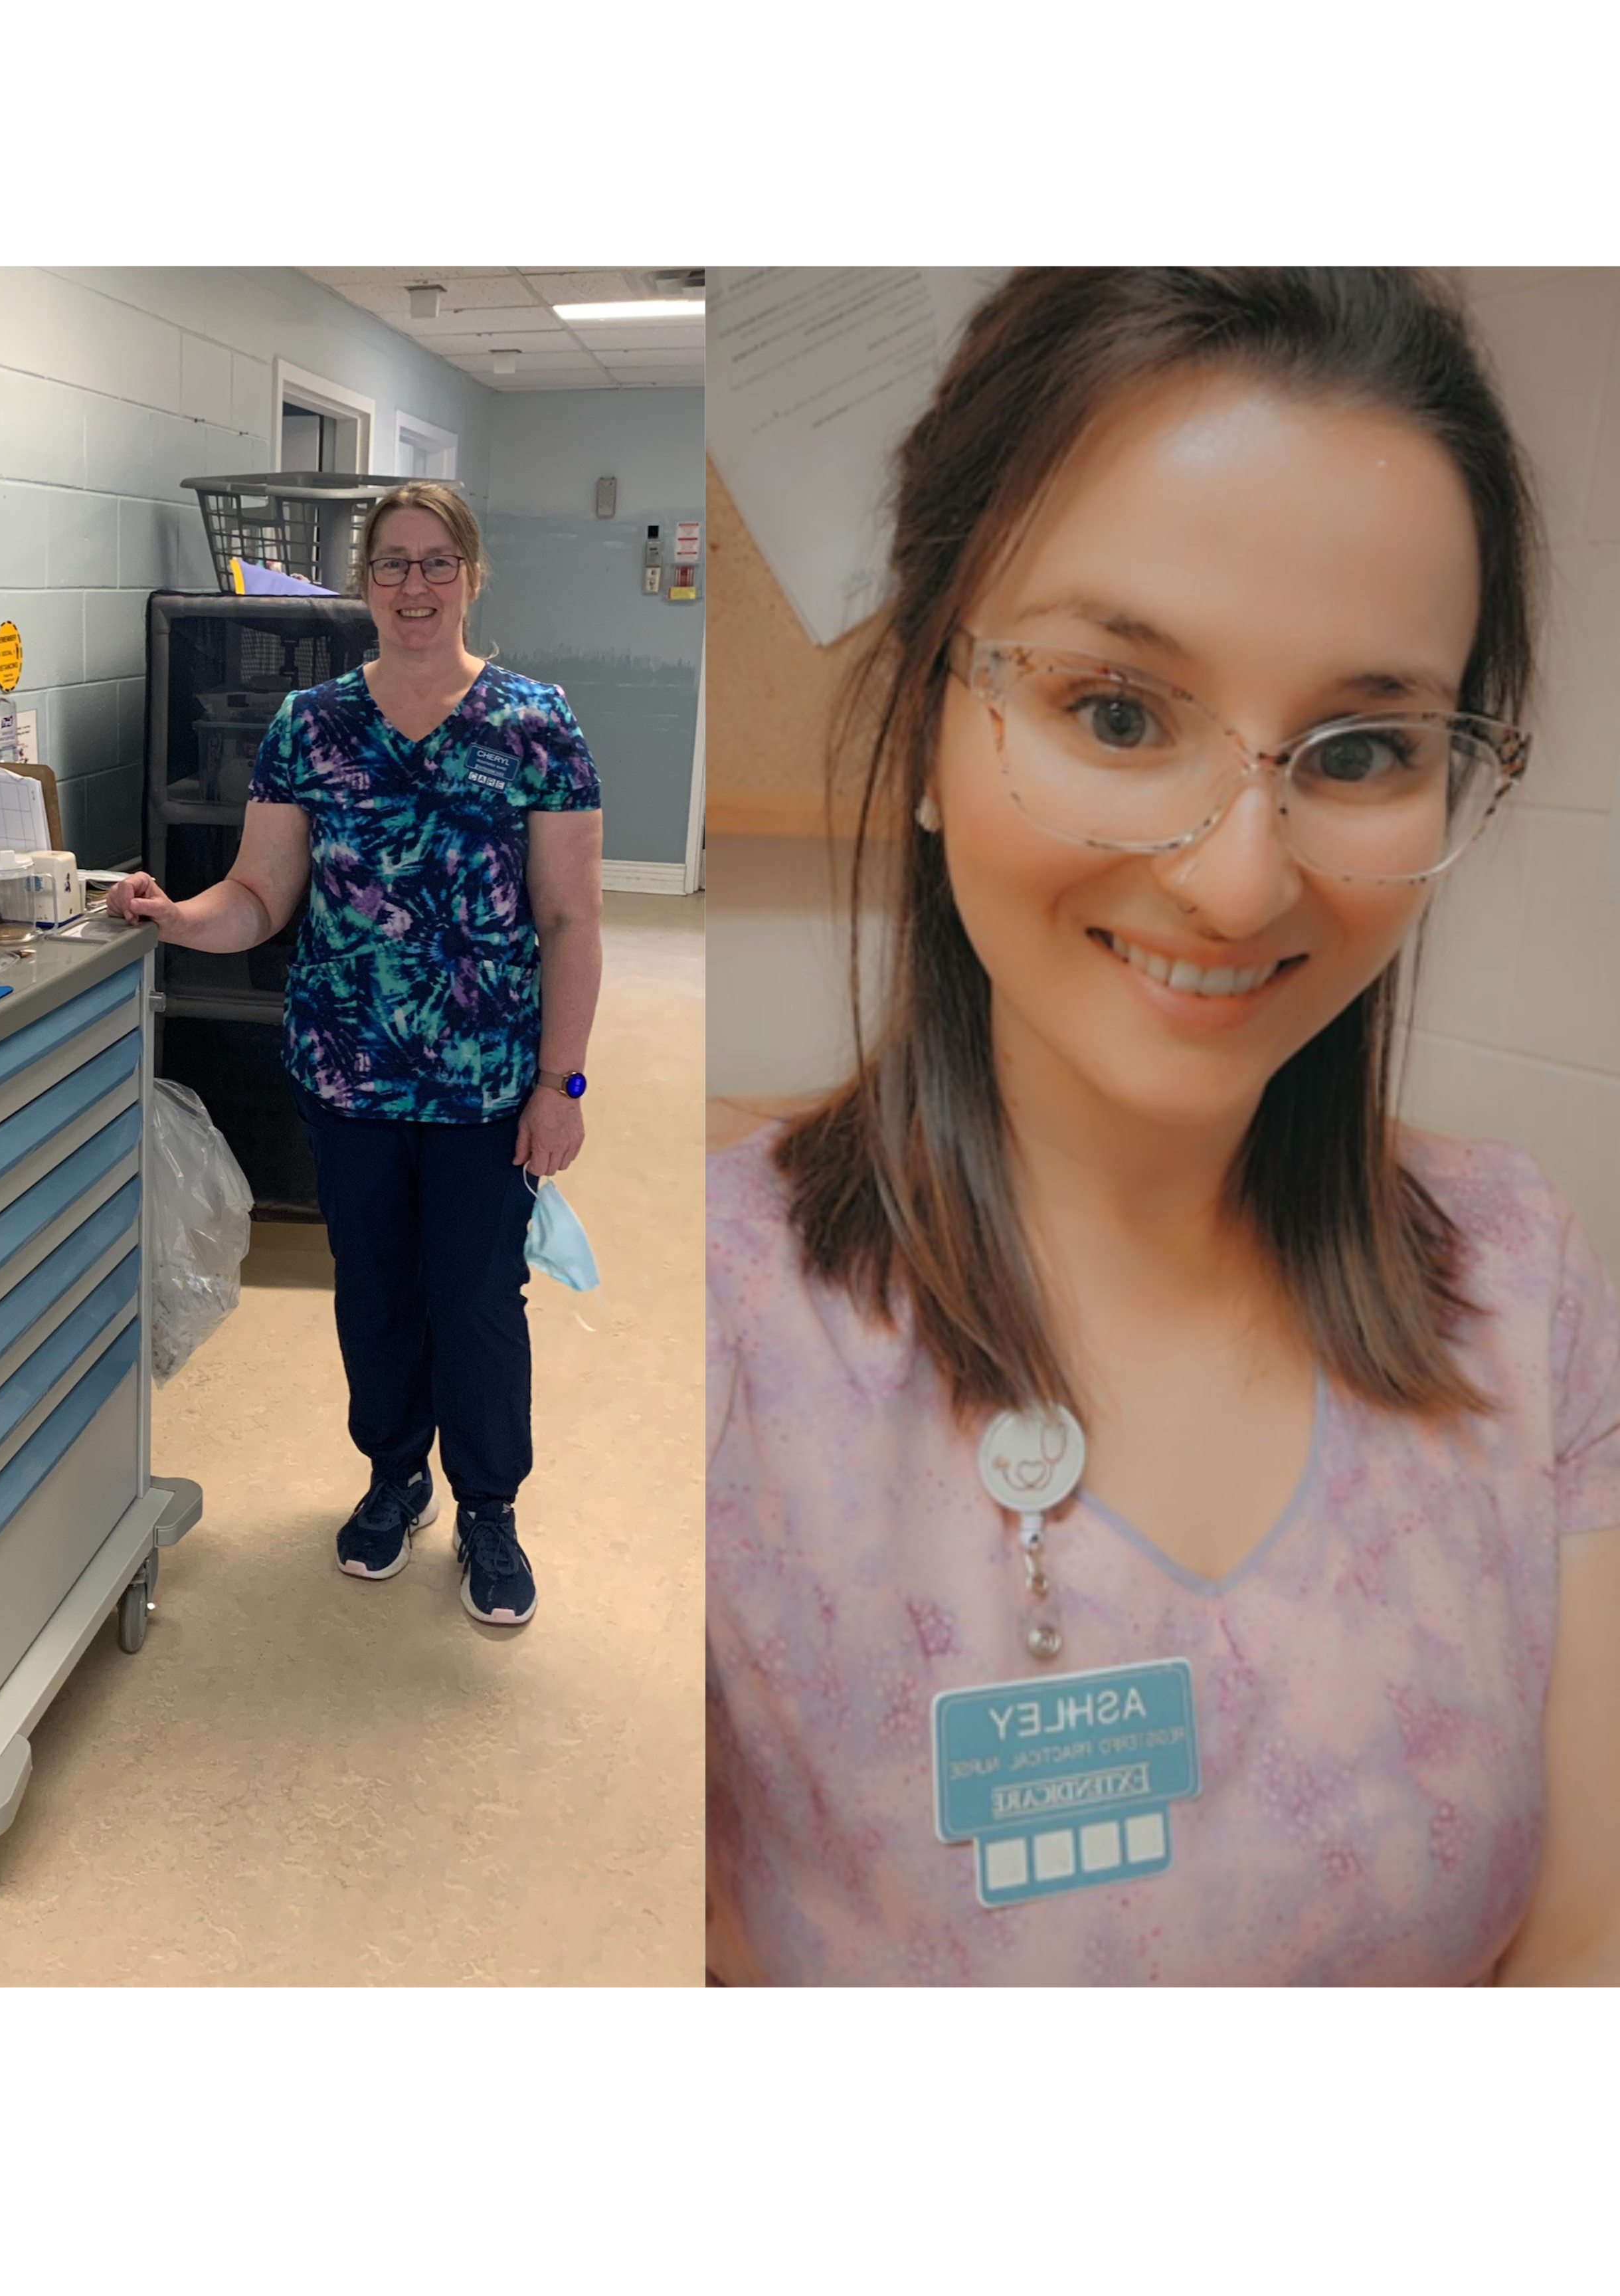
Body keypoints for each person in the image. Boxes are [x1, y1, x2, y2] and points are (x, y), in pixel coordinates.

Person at [707, 268, 1618, 1984]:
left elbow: (1587, 1943)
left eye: (1360, 749)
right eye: (1116, 713)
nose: (1239, 876)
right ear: (922, 721)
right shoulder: (726, 1339)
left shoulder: (1518, 1281)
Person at [105, 478, 604, 1626]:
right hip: (348, 1072)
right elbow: (257, 894)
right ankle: (393, 1475)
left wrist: (559, 1082)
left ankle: (488, 1506)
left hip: (484, 1081)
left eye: (436, 563)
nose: (413, 586)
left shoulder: (536, 726)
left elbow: (571, 920)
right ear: (363, 583)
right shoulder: (309, 727)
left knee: (476, 1297)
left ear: (471, 577)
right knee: (373, 1291)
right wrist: (178, 915)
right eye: (391, 564)